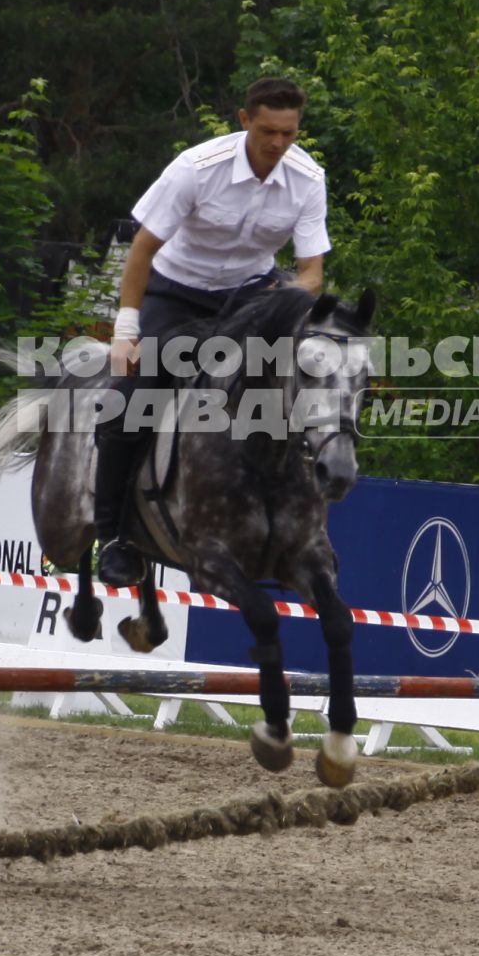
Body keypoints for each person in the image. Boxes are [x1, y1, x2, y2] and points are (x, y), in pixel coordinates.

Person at [93, 77, 330, 585]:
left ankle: (299, 518)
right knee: (132, 397)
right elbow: (141, 250)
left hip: (250, 295)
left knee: (307, 381)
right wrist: (126, 326)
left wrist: (287, 300)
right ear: (245, 120)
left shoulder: (309, 178)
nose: (278, 144)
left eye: (289, 133)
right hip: (175, 293)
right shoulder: (195, 169)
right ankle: (111, 536)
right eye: (268, 131)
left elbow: (312, 272)